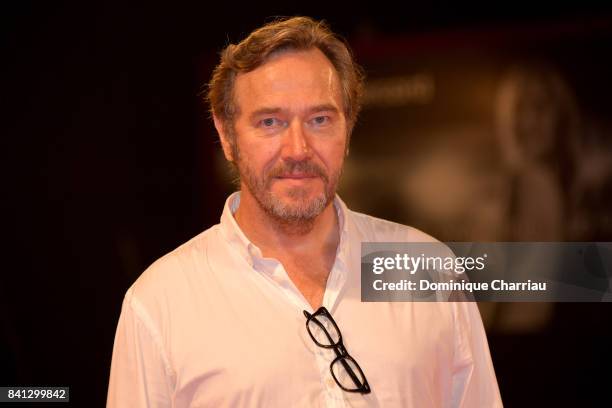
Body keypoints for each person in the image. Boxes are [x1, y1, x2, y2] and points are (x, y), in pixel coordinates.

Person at [107, 16, 502, 407]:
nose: (298, 150)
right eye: (270, 122)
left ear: (348, 128)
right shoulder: (160, 304)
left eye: (320, 119)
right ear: (227, 136)